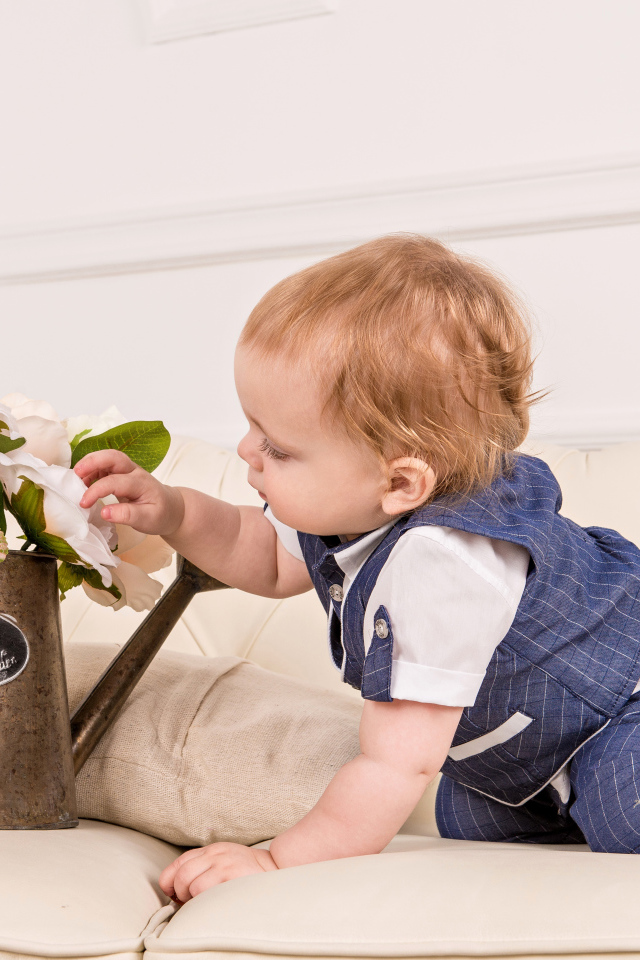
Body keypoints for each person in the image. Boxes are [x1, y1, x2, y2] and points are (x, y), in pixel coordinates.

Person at [75, 235, 640, 901]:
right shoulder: (356, 510)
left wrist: (278, 862)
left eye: (277, 448)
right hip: (522, 755)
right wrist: (171, 511)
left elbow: (395, 762)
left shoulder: (443, 563)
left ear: (401, 483)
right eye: (253, 428)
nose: (246, 450)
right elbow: (258, 550)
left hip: (620, 710)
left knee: (625, 809)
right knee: (470, 818)